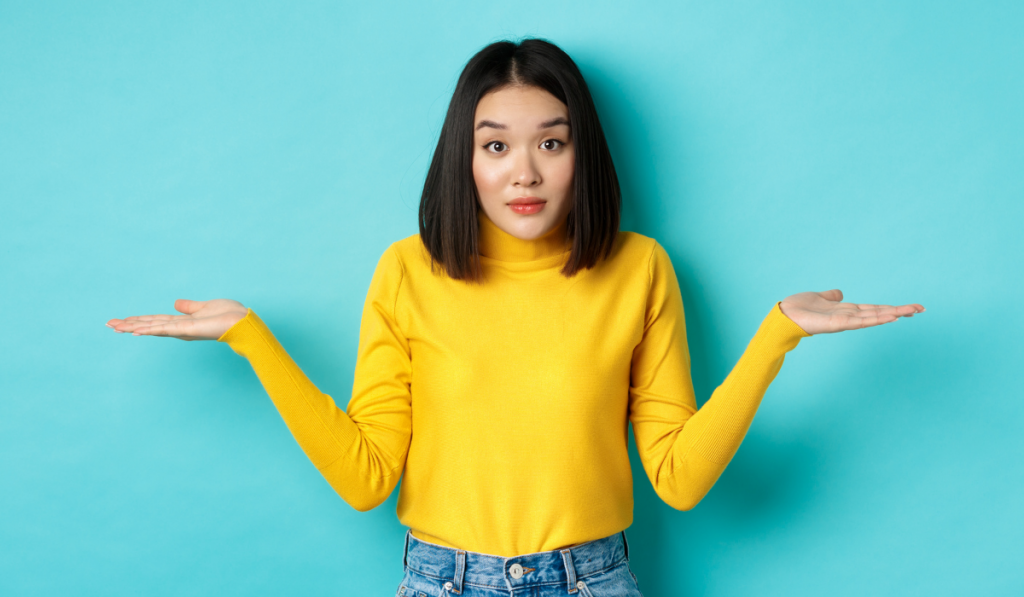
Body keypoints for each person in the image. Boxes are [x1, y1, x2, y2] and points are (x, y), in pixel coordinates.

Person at [106, 38, 924, 597]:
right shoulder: (406, 271)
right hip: (442, 578)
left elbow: (676, 477)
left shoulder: (639, 268)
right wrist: (251, 339)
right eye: (495, 145)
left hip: (592, 578)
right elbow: (364, 478)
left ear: (581, 155)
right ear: (464, 158)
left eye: (552, 143)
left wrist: (777, 334)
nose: (523, 172)